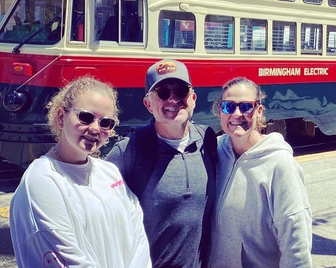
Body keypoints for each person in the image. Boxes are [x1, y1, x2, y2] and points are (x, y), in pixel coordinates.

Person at [10, 76, 151, 268]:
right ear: (61, 117)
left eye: (105, 123)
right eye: (85, 117)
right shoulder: (42, 180)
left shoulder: (109, 172)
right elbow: (67, 260)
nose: (95, 128)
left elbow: (138, 241)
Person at [106, 59, 216, 268]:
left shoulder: (207, 140)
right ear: (148, 104)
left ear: (193, 99)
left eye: (181, 91)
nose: (173, 99)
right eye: (163, 92)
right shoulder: (130, 150)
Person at [208, 77, 312, 268]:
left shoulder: (280, 164)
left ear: (259, 111)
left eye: (246, 106)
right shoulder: (215, 151)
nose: (237, 114)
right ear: (219, 111)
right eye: (228, 107)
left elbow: (296, 236)